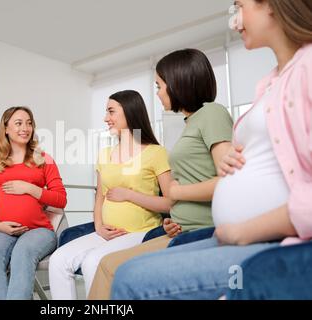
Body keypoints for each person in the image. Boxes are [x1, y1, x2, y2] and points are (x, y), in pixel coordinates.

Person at [111, 0, 312, 300]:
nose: (234, 19)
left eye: (239, 6)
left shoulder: (306, 68)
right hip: (227, 231)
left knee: (129, 278)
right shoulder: (270, 83)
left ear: (270, 5)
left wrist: (244, 229)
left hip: (266, 236)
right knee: (126, 271)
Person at [88, 49, 234, 299]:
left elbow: (229, 180)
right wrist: (173, 216)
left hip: (203, 230)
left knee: (113, 269)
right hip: (178, 228)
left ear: (178, 82)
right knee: (106, 266)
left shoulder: (212, 113)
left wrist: (177, 193)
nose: (157, 93)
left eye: (159, 85)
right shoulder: (192, 121)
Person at [49, 90, 172, 299]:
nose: (106, 118)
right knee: (58, 260)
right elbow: (99, 198)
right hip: (105, 232)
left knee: (93, 262)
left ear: (130, 112)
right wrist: (99, 226)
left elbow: (170, 202)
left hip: (140, 232)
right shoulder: (104, 154)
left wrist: (129, 195)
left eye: (111, 111)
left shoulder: (156, 153)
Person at [0, 106, 67, 300]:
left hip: (39, 231)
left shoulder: (44, 159)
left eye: (29, 123)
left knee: (22, 252)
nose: (25, 128)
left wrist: (30, 188)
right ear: (6, 129)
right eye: (18, 123)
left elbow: (61, 199)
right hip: (2, 229)